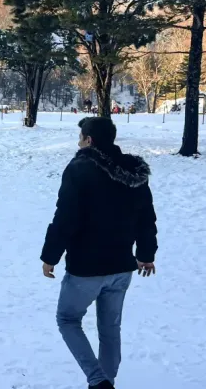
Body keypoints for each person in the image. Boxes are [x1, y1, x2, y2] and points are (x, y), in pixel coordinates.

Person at [39, 117, 158, 389]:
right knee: (110, 329)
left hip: (86, 268)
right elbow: (146, 217)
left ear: (89, 140)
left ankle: (99, 380)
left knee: (67, 319)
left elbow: (65, 217)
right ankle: (107, 382)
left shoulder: (80, 167)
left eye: (80, 137)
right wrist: (146, 254)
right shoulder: (133, 169)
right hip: (121, 267)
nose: (78, 142)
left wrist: (50, 256)